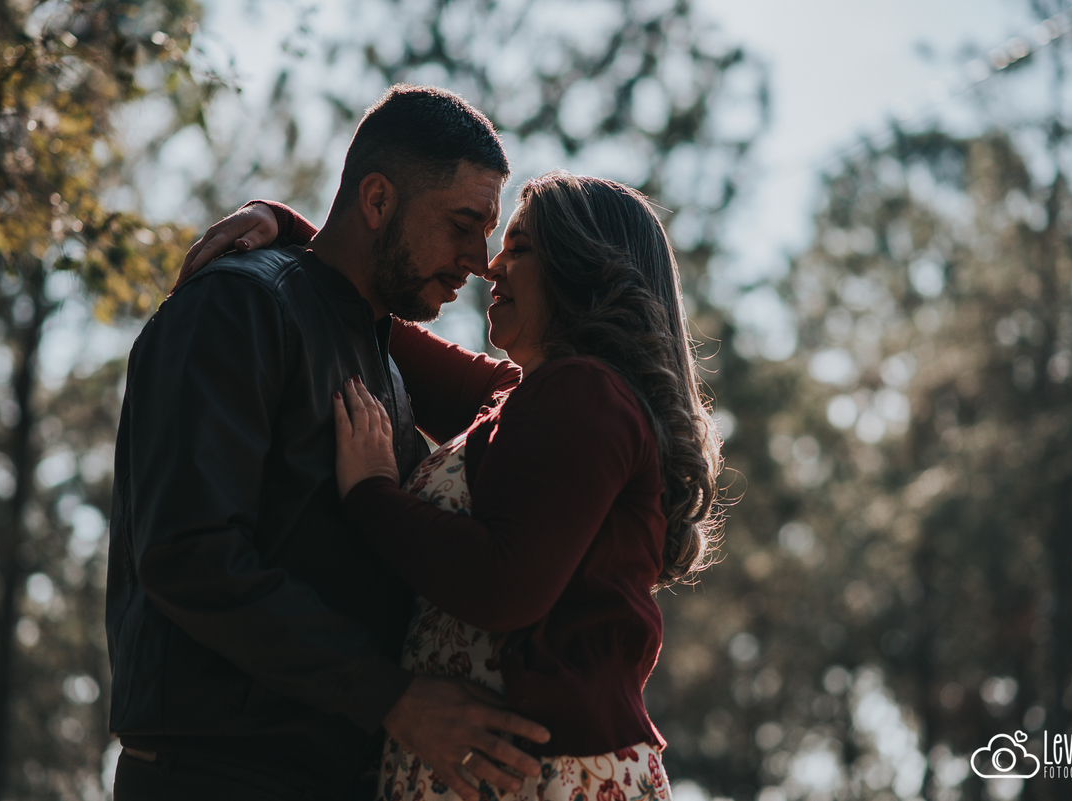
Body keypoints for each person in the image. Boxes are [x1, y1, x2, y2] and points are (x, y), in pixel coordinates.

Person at [187, 170, 724, 801]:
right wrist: (297, 231)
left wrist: (371, 495)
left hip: (543, 775)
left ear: (583, 270)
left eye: (519, 248)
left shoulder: (588, 394)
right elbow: (395, 336)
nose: (492, 267)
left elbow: (506, 586)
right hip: (491, 767)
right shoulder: (525, 397)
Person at [105, 84, 550, 801]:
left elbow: (540, 408)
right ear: (377, 202)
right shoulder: (238, 306)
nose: (481, 260)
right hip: (212, 778)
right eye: (464, 224)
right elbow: (188, 552)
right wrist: (393, 696)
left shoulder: (387, 362)